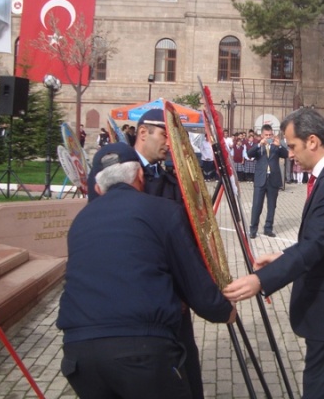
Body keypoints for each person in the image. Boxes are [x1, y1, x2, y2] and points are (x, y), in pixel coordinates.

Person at [58, 142, 236, 399]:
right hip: (141, 351)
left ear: (98, 187)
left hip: (79, 354)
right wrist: (223, 311)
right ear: (140, 176)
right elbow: (193, 280)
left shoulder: (80, 222)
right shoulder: (163, 212)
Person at [223, 108, 324, 399]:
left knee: (323, 388)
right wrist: (283, 255)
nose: (289, 154)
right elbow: (323, 239)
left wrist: (261, 280)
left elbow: (316, 245)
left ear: (313, 141)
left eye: (292, 146)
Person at [86, 109, 206, 399]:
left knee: (187, 373)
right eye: (166, 134)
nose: (170, 143)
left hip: (174, 297)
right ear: (143, 133)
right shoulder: (113, 173)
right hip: (137, 303)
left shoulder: (168, 175)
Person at [247, 124, 288, 238]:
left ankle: (268, 228)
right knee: (256, 205)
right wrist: (260, 144)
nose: (269, 137)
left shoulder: (276, 146)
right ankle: (253, 229)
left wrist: (279, 146)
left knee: (271, 206)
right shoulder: (259, 146)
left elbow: (286, 155)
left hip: (273, 179)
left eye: (270, 135)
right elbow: (249, 154)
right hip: (260, 179)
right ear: (261, 135)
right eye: (266, 135)